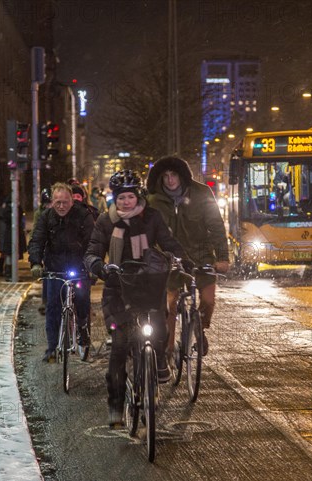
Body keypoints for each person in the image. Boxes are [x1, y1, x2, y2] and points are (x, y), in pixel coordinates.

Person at [84, 170, 185, 428]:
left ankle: (158, 363)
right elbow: (93, 250)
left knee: (159, 327)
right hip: (117, 289)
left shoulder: (152, 218)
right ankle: (116, 406)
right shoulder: (106, 222)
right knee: (119, 346)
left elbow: (169, 242)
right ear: (115, 199)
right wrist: (98, 265)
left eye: (130, 197)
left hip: (148, 285)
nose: (126, 202)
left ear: (138, 196)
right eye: (121, 198)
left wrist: (177, 257)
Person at [146, 156, 229, 357]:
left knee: (208, 301)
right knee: (169, 305)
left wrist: (222, 257)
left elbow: (216, 227)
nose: (170, 180)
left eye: (173, 175)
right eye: (165, 176)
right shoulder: (153, 199)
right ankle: (167, 351)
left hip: (201, 256)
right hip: (169, 258)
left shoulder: (201, 193)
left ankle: (199, 328)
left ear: (182, 175)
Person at [28, 182, 95, 362]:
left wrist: (92, 265)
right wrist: (35, 263)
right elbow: (37, 240)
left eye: (65, 202)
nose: (61, 206)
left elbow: (93, 242)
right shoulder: (46, 217)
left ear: (72, 201)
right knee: (53, 307)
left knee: (82, 299)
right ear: (52, 200)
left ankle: (82, 327)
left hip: (79, 267)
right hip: (54, 269)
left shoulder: (83, 216)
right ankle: (51, 348)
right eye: (57, 202)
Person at [32, 188, 52, 314]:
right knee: (47, 275)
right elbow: (36, 233)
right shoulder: (40, 214)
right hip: (46, 247)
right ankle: (45, 301)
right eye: (47, 203)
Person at [0, 196, 27, 280]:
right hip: (8, 237)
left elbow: (19, 216)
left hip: (11, 236)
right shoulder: (7, 211)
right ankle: (8, 274)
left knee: (11, 255)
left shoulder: (8, 210)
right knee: (9, 255)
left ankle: (11, 274)